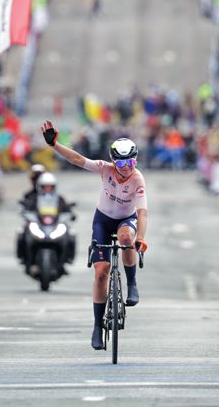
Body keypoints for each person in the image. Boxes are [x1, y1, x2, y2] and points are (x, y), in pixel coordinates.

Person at [40, 119, 148, 350]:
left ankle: (132, 283)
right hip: (103, 220)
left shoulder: (137, 179)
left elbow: (142, 213)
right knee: (101, 273)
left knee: (127, 239)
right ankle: (98, 326)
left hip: (125, 220)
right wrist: (54, 145)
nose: (127, 167)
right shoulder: (105, 169)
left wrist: (141, 238)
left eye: (131, 161)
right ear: (113, 162)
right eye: (121, 163)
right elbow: (78, 159)